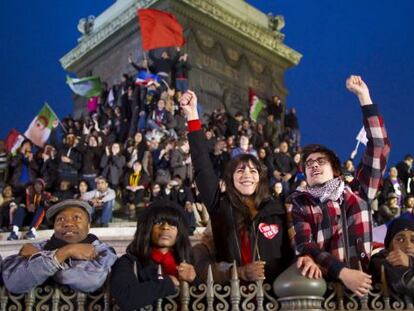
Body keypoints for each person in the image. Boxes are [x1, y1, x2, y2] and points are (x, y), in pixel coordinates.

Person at [288, 75, 391, 297]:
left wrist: (364, 97)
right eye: (308, 164)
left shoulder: (358, 190)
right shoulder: (299, 202)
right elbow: (305, 245)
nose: (314, 165)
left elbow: (379, 146)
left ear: (335, 170)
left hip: (366, 289)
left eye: (320, 161)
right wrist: (343, 272)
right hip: (325, 292)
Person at [180, 90, 294, 282]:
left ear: (261, 179)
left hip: (273, 300)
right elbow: (202, 166)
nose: (247, 175)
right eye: (240, 171)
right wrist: (192, 115)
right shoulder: (220, 206)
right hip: (232, 298)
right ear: (230, 179)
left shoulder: (278, 210)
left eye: (253, 171)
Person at [2, 199, 117, 293]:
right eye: (60, 219)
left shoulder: (102, 250)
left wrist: (40, 257)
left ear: (88, 225)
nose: (67, 223)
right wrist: (65, 252)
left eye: (76, 218)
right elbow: (14, 282)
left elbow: (91, 280)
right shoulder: (40, 246)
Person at [110, 200, 196, 310]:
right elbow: (125, 297)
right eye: (159, 222)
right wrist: (167, 283)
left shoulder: (188, 261)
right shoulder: (128, 261)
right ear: (147, 228)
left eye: (173, 224)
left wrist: (194, 280)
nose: (166, 227)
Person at [370, 218, 414, 295]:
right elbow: (403, 284)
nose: (408, 245)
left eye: (413, 240)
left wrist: (411, 261)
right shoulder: (378, 260)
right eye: (400, 240)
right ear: (389, 246)